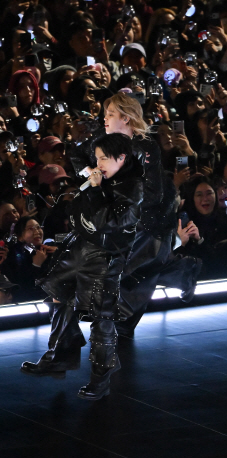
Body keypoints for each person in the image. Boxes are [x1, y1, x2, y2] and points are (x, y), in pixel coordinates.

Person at [20, 133, 144, 400]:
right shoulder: (103, 175)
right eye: (97, 158)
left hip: (106, 255)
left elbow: (104, 222)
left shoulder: (133, 187)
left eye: (104, 158)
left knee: (102, 317)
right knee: (58, 294)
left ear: (122, 159)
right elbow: (77, 156)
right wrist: (103, 136)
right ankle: (58, 357)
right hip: (80, 247)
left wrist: (95, 190)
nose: (98, 164)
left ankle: (101, 377)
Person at [70, 93, 201, 337]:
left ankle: (123, 323)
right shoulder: (101, 141)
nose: (105, 119)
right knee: (133, 271)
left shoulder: (145, 146)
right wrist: (89, 172)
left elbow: (153, 194)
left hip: (152, 214)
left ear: (126, 118)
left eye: (110, 114)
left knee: (132, 271)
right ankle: (182, 272)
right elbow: (75, 155)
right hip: (126, 215)